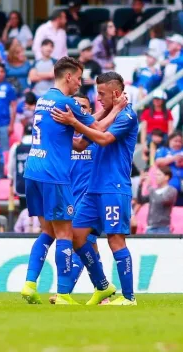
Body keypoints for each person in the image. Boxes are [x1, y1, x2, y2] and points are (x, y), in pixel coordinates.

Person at [21, 57, 107, 305]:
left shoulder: (43, 98)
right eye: (78, 78)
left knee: (46, 230)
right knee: (65, 233)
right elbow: (98, 129)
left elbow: (77, 140)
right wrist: (116, 109)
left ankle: (29, 284)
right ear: (68, 76)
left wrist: (77, 121)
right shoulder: (67, 103)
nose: (80, 83)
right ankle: (63, 294)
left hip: (33, 170)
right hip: (54, 174)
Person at [51, 72, 138, 306]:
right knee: (77, 237)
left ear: (117, 94)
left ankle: (129, 298)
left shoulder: (127, 115)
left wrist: (74, 122)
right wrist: (53, 134)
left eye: (101, 93)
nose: (98, 98)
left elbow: (104, 139)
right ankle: (103, 287)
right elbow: (80, 144)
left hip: (114, 187)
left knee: (115, 240)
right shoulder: (106, 116)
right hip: (94, 189)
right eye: (96, 92)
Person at [138, 166, 177, 234]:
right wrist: (140, 185)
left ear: (166, 177)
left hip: (163, 229)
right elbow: (141, 200)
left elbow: (161, 200)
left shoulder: (172, 190)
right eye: (156, 175)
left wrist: (149, 186)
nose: (156, 177)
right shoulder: (154, 191)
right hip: (150, 228)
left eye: (159, 175)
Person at [155, 132, 183, 206]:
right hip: (169, 184)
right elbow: (158, 162)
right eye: (175, 141)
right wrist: (173, 158)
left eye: (180, 141)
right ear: (169, 140)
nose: (178, 143)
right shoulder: (163, 150)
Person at [160, 34, 183, 99]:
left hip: (177, 89)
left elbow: (181, 60)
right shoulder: (165, 55)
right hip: (163, 88)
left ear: (179, 46)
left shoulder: (180, 57)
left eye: (171, 42)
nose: (168, 44)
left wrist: (169, 61)